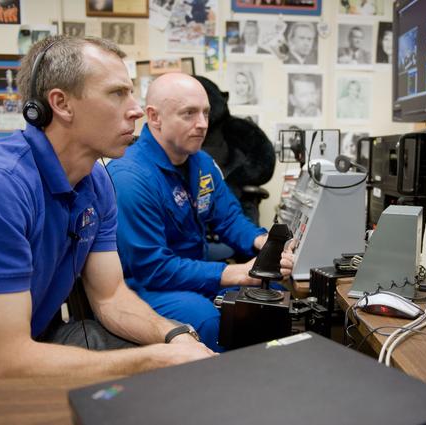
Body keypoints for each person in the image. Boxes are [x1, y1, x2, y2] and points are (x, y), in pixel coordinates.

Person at [0, 36, 215, 380]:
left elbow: (111, 296)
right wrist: (155, 359)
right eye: (117, 93)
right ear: (62, 104)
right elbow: (3, 362)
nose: (135, 110)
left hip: (34, 340)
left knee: (174, 362)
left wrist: (174, 336)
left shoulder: (96, 181)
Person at [106, 73, 294, 352]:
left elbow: (228, 218)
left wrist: (262, 242)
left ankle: (264, 372)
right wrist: (233, 273)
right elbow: (153, 269)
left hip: (191, 274)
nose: (203, 123)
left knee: (273, 297)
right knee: (207, 320)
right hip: (146, 286)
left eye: (205, 113)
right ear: (154, 117)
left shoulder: (201, 163)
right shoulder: (129, 177)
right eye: (189, 113)